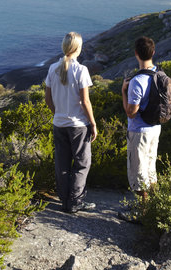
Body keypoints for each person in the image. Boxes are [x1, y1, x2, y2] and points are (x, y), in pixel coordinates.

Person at [45, 32, 98, 213]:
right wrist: (93, 123)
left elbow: (48, 99)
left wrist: (58, 113)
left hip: (59, 124)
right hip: (78, 125)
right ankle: (76, 202)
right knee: (82, 163)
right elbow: (85, 101)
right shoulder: (81, 70)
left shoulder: (53, 68)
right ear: (78, 48)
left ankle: (64, 200)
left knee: (62, 163)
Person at [121, 36, 161, 200]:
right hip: (155, 129)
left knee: (138, 175)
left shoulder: (137, 81)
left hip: (139, 132)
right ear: (153, 52)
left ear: (136, 53)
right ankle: (154, 209)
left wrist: (124, 91)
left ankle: (142, 213)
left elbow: (131, 112)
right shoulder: (159, 75)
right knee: (151, 170)